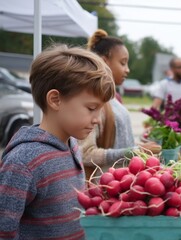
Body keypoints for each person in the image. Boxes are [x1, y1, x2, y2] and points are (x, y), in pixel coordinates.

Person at [0, 45, 115, 239]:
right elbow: (4, 229)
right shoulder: (23, 162)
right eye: (91, 108)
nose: (97, 119)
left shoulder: (72, 145)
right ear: (55, 100)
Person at [79, 29, 137, 176]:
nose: (128, 70)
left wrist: (137, 148)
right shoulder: (92, 99)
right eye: (123, 63)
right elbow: (85, 153)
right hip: (105, 187)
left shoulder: (113, 98)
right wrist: (131, 152)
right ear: (105, 61)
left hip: (123, 184)